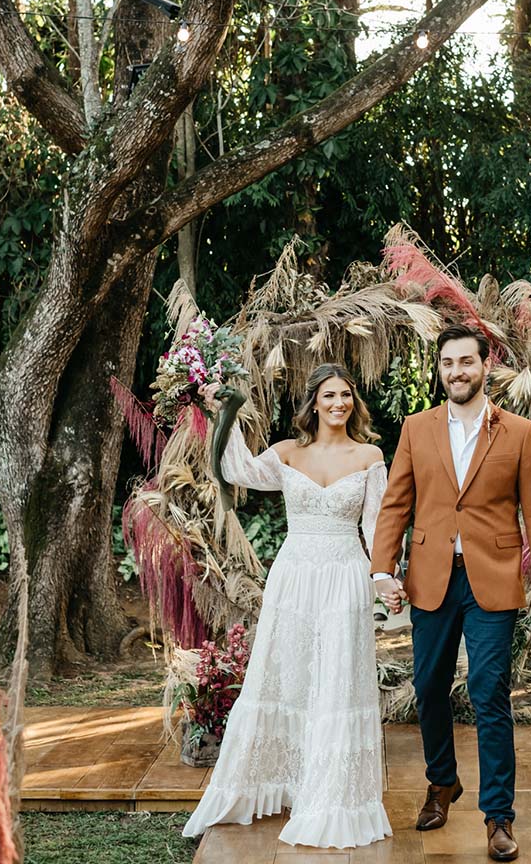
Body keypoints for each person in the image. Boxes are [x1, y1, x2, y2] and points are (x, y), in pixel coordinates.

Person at [371, 324, 531, 863]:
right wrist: (382, 570)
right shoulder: (415, 428)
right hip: (430, 576)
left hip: (493, 578)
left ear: (486, 366)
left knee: (488, 692)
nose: (456, 371)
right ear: (440, 369)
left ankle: (498, 816)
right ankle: (442, 782)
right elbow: (395, 505)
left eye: (466, 361)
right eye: (447, 362)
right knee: (429, 686)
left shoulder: (519, 432)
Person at [182, 363, 392, 850]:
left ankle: (332, 796)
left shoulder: (369, 456)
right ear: (313, 403)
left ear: (353, 402)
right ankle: (283, 783)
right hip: (294, 577)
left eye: (345, 395)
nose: (337, 403)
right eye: (328, 395)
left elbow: (377, 526)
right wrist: (223, 411)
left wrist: (383, 578)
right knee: (288, 673)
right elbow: (236, 471)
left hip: (344, 575)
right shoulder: (286, 453)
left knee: (337, 681)